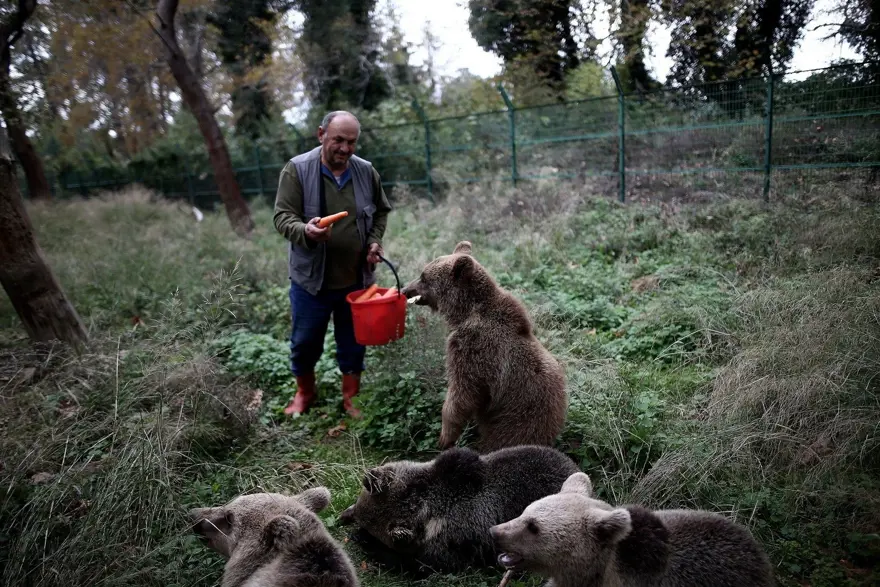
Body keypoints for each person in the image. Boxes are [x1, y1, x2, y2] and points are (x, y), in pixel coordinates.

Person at [273, 111, 392, 418]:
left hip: (355, 279)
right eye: (338, 139)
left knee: (353, 344)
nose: (345, 148)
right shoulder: (297, 169)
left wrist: (374, 242)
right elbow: (282, 217)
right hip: (311, 281)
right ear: (321, 134)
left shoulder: (365, 171)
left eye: (351, 142)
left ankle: (351, 398)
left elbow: (380, 212)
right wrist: (305, 231)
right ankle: (304, 393)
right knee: (304, 343)